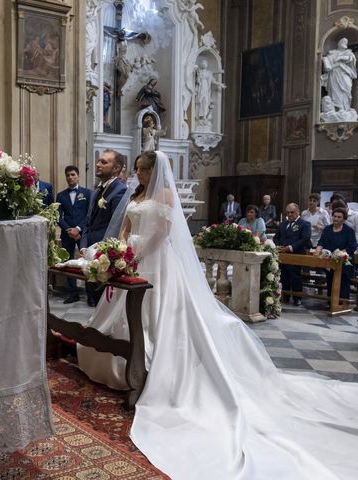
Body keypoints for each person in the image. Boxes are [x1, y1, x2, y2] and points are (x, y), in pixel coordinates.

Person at [76, 150, 358, 479]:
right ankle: (118, 355)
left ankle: (151, 366)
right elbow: (125, 226)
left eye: (143, 170)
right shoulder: (136, 194)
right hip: (132, 258)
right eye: (137, 170)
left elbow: (163, 232)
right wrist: (122, 249)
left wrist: (139, 253)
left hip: (155, 262)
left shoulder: (165, 194)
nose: (139, 175)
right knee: (121, 310)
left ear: (155, 171)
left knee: (159, 312)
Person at [81, 149, 127, 307]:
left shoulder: (120, 191)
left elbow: (116, 226)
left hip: (103, 253)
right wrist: (84, 245)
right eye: (99, 161)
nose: (98, 164)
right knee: (92, 298)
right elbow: (87, 221)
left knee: (103, 301)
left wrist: (100, 252)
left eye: (104, 162)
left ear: (116, 169)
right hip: (90, 251)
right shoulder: (97, 190)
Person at [56, 166, 92, 304]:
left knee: (88, 261)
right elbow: (58, 217)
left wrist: (78, 229)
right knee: (67, 262)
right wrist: (68, 230)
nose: (70, 177)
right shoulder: (61, 195)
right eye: (68, 175)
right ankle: (73, 292)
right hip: (67, 234)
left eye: (72, 175)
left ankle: (90, 294)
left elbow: (89, 214)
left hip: (83, 233)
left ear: (78, 176)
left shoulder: (87, 193)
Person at [314, 207, 357, 302]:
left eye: (339, 217)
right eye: (334, 216)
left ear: (344, 219)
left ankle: (343, 303)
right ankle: (331, 302)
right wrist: (317, 251)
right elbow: (321, 242)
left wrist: (339, 254)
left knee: (343, 283)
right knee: (330, 280)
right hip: (330, 261)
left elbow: (352, 246)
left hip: (344, 262)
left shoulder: (349, 231)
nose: (336, 218)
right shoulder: (327, 229)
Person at [273, 203, 312, 306]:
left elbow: (305, 239)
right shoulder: (283, 224)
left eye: (292, 212)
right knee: (283, 275)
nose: (290, 214)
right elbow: (276, 237)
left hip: (296, 254)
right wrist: (278, 246)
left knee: (295, 276)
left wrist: (290, 247)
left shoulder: (304, 224)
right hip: (282, 254)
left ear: (298, 212)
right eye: (288, 212)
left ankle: (297, 297)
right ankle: (285, 296)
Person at [321, 37, 357, 113]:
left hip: (345, 74)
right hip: (334, 74)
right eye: (342, 42)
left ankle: (346, 108)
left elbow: (351, 59)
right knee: (335, 91)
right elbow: (327, 63)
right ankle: (338, 108)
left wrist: (341, 57)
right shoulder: (332, 53)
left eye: (345, 42)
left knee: (346, 89)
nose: (344, 43)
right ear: (339, 43)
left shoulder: (348, 53)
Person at [194, 59, 224, 127]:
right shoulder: (199, 72)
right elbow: (196, 81)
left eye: (205, 63)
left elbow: (213, 81)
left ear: (207, 65)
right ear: (201, 65)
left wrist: (220, 84)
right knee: (200, 102)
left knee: (206, 102)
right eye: (203, 63)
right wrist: (198, 77)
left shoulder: (209, 73)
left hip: (206, 89)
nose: (204, 64)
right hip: (200, 89)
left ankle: (204, 116)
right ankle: (199, 116)